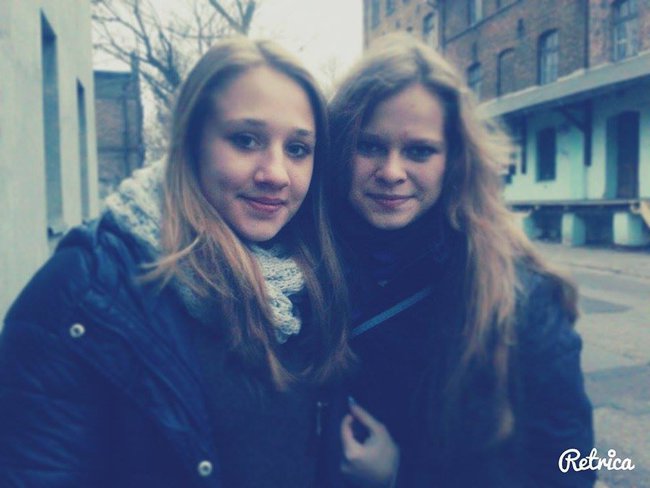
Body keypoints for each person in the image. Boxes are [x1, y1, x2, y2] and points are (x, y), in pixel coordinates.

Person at [0, 37, 354, 487]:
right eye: (246, 140)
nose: (276, 174)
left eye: (298, 149)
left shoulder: (313, 285)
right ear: (190, 143)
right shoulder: (85, 291)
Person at [328, 33, 595, 487]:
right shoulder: (300, 266)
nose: (391, 172)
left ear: (454, 160)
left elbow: (573, 468)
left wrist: (400, 477)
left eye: (419, 151)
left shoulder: (520, 298)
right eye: (369, 146)